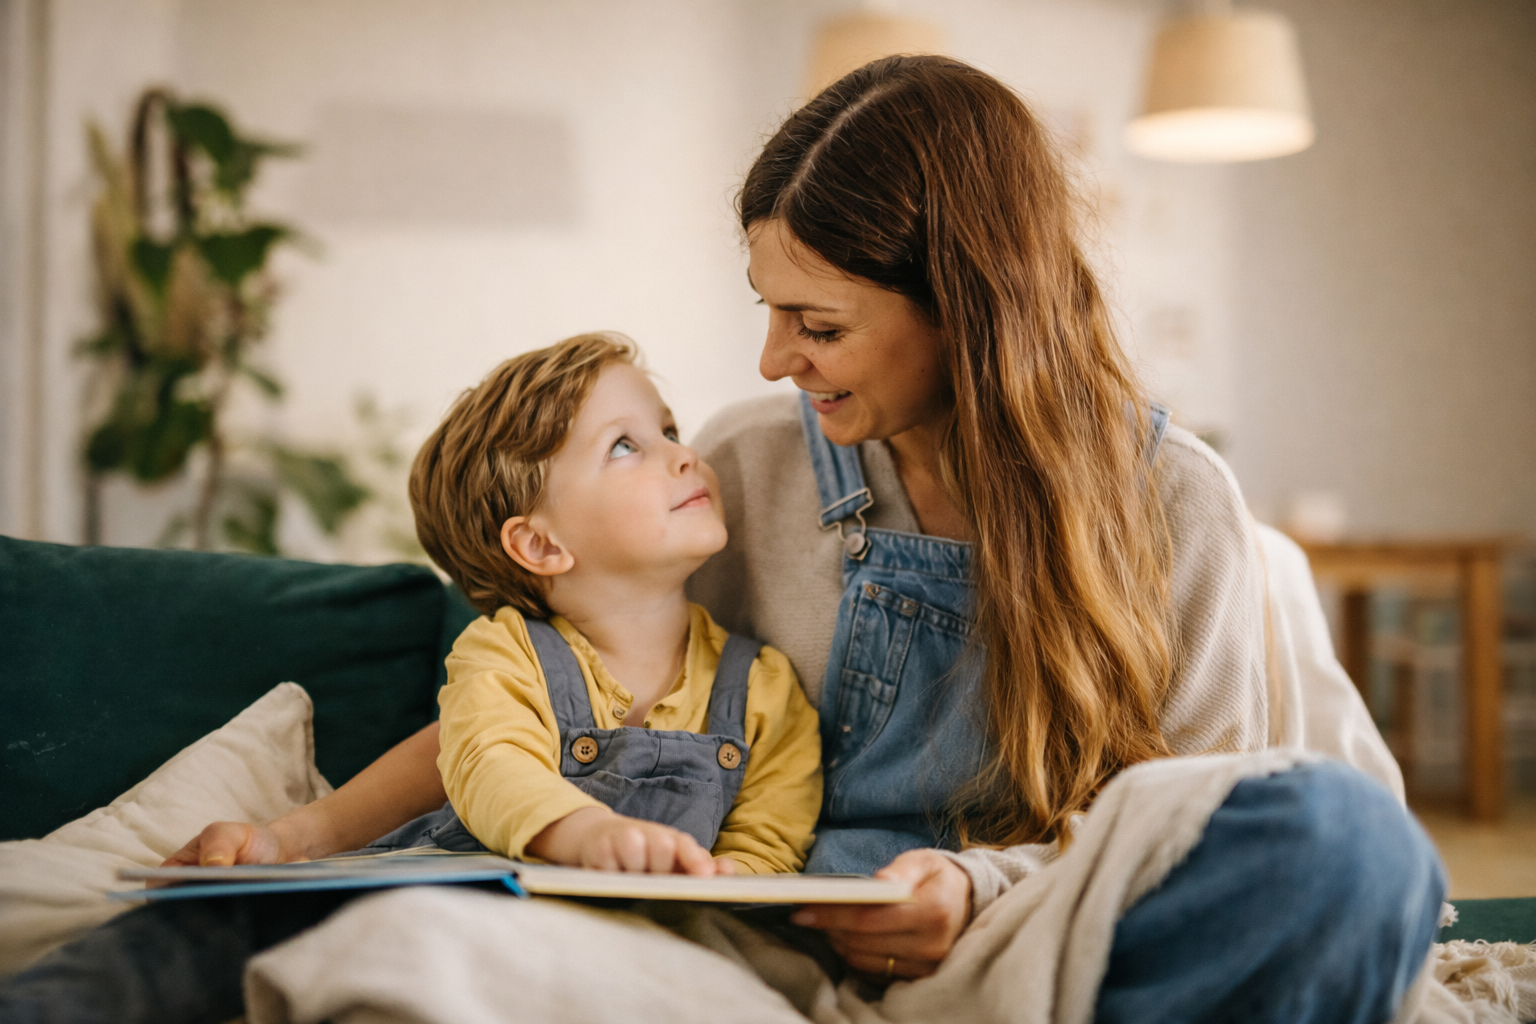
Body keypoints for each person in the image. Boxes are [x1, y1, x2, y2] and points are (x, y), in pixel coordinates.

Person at [1, 55, 1442, 1024]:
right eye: (766, 306)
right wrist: (313, 837)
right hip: (746, 943)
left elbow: (1166, 829)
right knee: (293, 925)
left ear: (970, 308)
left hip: (1014, 946)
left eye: (817, 324)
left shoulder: (1172, 504)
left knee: (1347, 849)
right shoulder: (744, 475)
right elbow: (530, 691)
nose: (769, 361)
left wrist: (965, 889)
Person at [385, 330, 820, 875]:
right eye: (624, 446)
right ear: (540, 544)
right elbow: (489, 767)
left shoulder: (766, 688)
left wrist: (733, 876)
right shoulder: (504, 655)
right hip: (488, 905)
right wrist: (585, 832)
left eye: (669, 430)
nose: (685, 454)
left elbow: (769, 841)